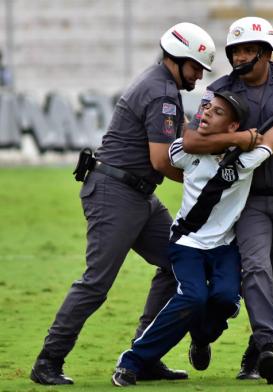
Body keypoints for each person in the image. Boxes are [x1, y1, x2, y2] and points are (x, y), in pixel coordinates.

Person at [30, 22, 221, 386]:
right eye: (196, 67)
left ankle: (145, 355)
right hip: (116, 194)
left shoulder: (160, 84)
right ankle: (48, 360)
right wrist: (206, 180)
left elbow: (180, 137)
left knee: (176, 262)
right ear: (177, 59)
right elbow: (162, 161)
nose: (198, 76)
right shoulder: (161, 92)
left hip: (135, 194)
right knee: (96, 283)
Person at [111, 90, 273, 387]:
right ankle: (133, 360)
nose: (208, 113)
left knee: (226, 299)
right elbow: (188, 140)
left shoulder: (248, 158)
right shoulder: (184, 150)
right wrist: (235, 139)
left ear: (234, 125)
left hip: (224, 247)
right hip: (187, 244)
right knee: (193, 297)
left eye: (218, 112)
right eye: (207, 108)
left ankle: (200, 338)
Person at [182, 16, 273, 384]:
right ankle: (269, 348)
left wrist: (266, 143)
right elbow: (197, 139)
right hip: (246, 201)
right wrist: (241, 140)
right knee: (256, 271)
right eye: (236, 50)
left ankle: (252, 354)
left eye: (248, 49)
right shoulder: (217, 90)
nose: (240, 56)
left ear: (264, 52)